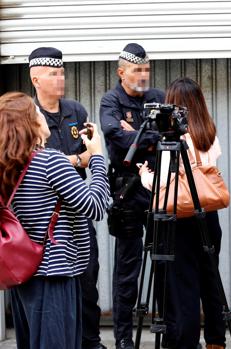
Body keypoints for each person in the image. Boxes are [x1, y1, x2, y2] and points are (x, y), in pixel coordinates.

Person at [2, 92, 109, 349]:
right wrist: (97, 157)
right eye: (37, 112)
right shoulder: (51, 161)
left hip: (24, 275)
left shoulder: (10, 165)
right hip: (55, 274)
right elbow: (96, 207)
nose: (43, 115)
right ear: (29, 123)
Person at [28, 46, 107, 349]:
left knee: (88, 282)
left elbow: (86, 153)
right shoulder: (30, 116)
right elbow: (44, 161)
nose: (60, 79)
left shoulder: (76, 111)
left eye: (62, 72)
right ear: (36, 79)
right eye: (53, 74)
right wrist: (76, 160)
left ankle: (91, 341)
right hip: (46, 220)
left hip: (77, 211)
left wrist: (84, 158)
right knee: (55, 291)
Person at [139, 77, 227, 349]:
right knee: (210, 277)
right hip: (207, 216)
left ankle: (185, 343)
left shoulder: (176, 140)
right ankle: (216, 340)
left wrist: (144, 176)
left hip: (179, 220)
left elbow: (163, 185)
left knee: (184, 287)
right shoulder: (209, 132)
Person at [100, 43, 165, 349]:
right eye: (137, 70)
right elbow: (115, 136)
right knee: (128, 269)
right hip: (127, 190)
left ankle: (168, 330)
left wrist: (137, 136)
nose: (143, 75)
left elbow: (174, 134)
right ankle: (124, 338)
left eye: (146, 69)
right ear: (121, 72)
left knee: (165, 261)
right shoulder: (111, 100)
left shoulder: (158, 98)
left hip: (160, 187)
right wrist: (147, 138)